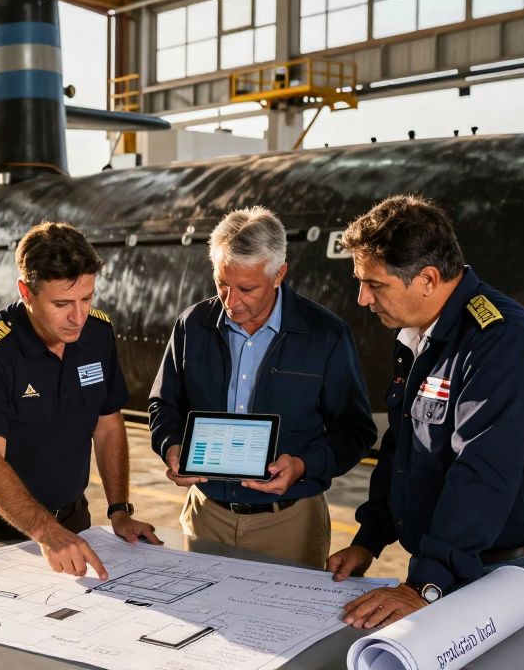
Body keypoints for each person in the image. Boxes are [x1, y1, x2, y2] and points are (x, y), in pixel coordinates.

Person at [327, 195, 524, 628]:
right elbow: (404, 447)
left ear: (426, 279)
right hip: (452, 563)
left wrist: (424, 585)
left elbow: (482, 471)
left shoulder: (499, 341)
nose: (362, 299)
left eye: (375, 284)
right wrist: (370, 539)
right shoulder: (421, 333)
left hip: (511, 574)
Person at [149, 206, 375, 568]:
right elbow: (164, 405)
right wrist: (171, 446)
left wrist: (303, 465)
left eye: (246, 288)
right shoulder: (192, 325)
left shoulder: (326, 335)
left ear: (279, 274)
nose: (231, 301)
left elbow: (356, 430)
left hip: (290, 523)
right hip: (207, 516)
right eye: (222, 284)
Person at [0, 221, 159, 579]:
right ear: (26, 292)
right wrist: (46, 532)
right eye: (62, 303)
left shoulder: (98, 334)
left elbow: (108, 426)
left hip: (73, 523)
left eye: (87, 298)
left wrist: (119, 510)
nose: (77, 317)